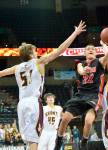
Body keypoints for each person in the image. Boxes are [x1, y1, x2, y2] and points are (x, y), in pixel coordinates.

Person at [0, 20, 86, 150]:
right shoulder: (38, 62)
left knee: (29, 140)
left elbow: (0, 73)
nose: (37, 53)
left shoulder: (17, 67)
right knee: (34, 139)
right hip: (33, 103)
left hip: (21, 104)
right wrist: (75, 33)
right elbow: (60, 50)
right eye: (35, 51)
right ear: (30, 53)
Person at [54, 40, 108, 150]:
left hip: (93, 95)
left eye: (93, 49)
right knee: (65, 119)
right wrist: (84, 71)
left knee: (88, 122)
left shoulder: (100, 61)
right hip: (80, 95)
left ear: (96, 52)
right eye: (88, 49)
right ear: (85, 53)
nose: (91, 50)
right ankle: (58, 140)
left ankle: (84, 142)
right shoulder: (80, 64)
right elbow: (80, 71)